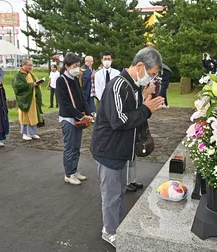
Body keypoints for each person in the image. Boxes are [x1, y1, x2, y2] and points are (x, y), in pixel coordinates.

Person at [91, 46, 165, 247]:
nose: (150, 79)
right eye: (150, 74)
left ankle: (115, 225)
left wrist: (143, 99)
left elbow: (128, 110)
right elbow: (120, 120)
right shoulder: (118, 85)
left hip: (119, 150)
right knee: (112, 194)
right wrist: (146, 108)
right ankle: (110, 231)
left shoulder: (131, 86)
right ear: (140, 66)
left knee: (117, 193)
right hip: (109, 151)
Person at [56, 53, 92, 185]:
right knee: (69, 147)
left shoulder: (75, 79)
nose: (78, 69)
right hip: (68, 118)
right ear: (66, 66)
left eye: (78, 66)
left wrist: (89, 112)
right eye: (75, 66)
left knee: (77, 147)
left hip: (78, 117)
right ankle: (69, 174)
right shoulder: (61, 80)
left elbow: (82, 98)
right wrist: (81, 115)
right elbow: (64, 104)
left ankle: (74, 169)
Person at [12, 58, 44, 141]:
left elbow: (34, 84)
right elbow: (17, 87)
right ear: (24, 65)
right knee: (25, 117)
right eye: (29, 65)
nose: (31, 67)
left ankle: (32, 133)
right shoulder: (19, 75)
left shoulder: (31, 74)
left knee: (33, 116)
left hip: (33, 99)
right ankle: (25, 133)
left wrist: (37, 84)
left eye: (31, 65)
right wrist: (31, 85)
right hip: (25, 100)